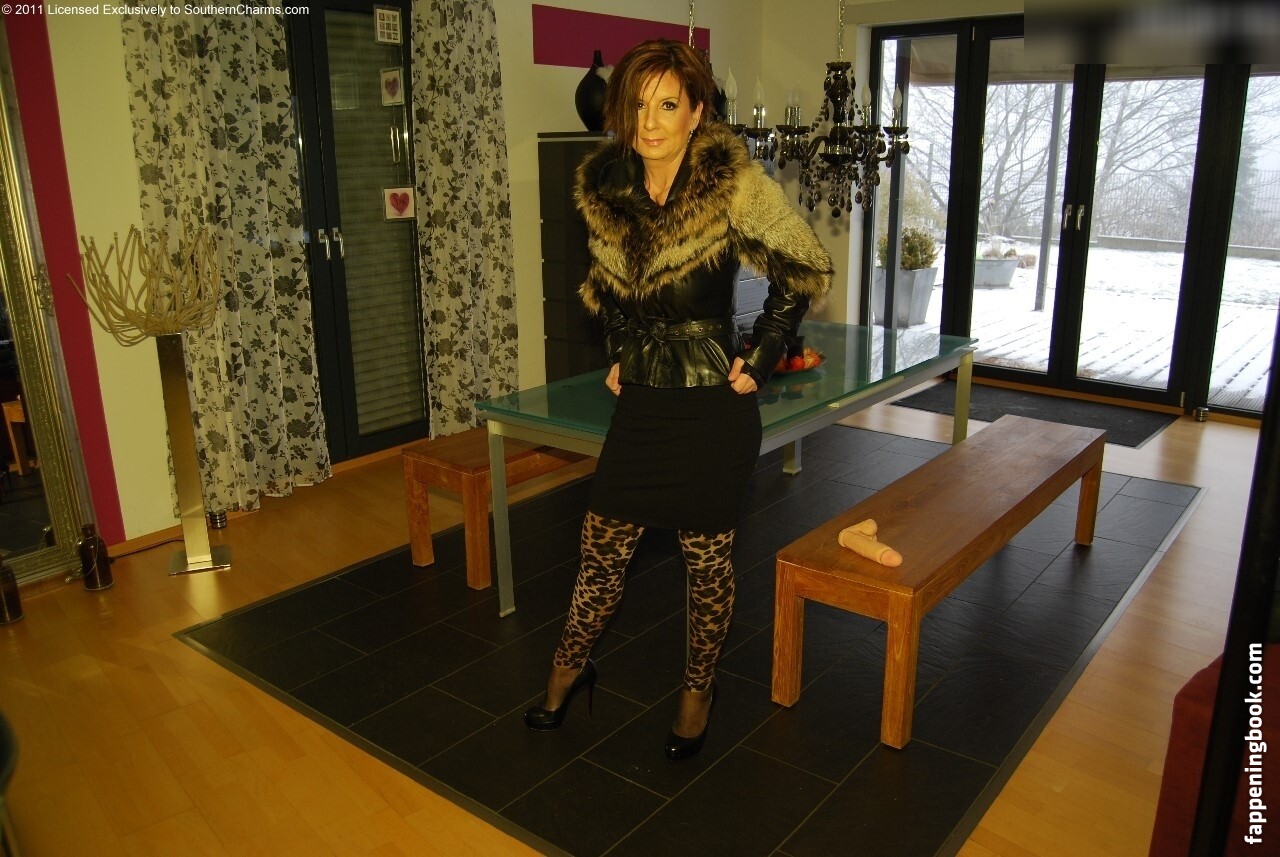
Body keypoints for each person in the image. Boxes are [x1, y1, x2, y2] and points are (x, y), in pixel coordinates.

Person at [523, 39, 832, 760]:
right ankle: (569, 667)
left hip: (713, 403)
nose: (650, 121)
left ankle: (698, 690)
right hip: (645, 400)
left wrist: (764, 352)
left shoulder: (731, 184)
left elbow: (803, 261)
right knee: (600, 551)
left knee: (706, 564)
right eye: (637, 105)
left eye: (668, 105)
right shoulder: (606, 187)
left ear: (697, 113)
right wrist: (619, 350)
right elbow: (606, 289)